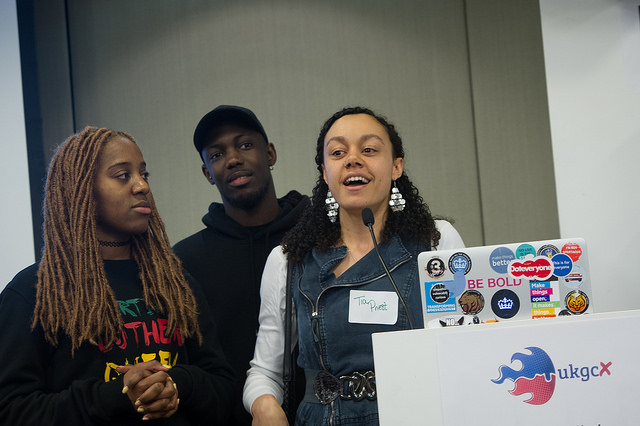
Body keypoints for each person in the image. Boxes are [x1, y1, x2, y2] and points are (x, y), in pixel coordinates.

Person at [243, 106, 465, 425]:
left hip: (419, 414)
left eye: (369, 149)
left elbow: (463, 347)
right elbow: (265, 372)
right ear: (324, 172)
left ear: (396, 167)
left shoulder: (436, 240)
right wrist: (263, 404)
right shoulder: (287, 261)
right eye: (338, 152)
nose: (352, 159)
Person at [0, 127, 235, 425]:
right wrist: (117, 396)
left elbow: (223, 387)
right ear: (81, 189)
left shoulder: (174, 282)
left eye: (144, 174)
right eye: (123, 175)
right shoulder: (32, 292)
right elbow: (11, 411)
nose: (142, 186)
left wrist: (177, 385)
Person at [172, 105, 309, 425]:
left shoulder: (320, 239)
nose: (233, 158)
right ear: (207, 173)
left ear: (270, 153)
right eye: (217, 154)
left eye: (245, 145)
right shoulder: (185, 261)